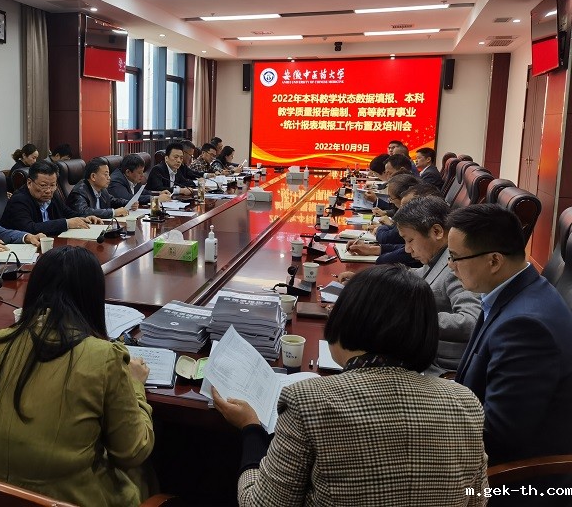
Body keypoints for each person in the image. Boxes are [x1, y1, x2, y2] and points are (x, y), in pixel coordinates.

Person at [212, 264, 487, 506]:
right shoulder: (466, 402)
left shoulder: (307, 400)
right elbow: (478, 498)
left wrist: (250, 429)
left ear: (345, 322)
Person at [0, 246, 154, 507]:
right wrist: (135, 386)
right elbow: (132, 451)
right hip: (71, 500)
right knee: (146, 474)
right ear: (93, 299)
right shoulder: (104, 358)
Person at [448, 204, 572, 466]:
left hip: (513, 475)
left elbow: (498, 436)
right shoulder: (509, 291)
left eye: (455, 257)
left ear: (494, 261)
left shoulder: (526, 327)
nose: (450, 267)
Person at [392, 196, 481, 371]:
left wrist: (412, 318)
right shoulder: (438, 256)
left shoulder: (456, 265)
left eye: (410, 240)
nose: (407, 249)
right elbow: (419, 275)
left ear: (437, 232)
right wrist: (374, 281)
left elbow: (471, 320)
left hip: (440, 366)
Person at [1, 161, 103, 236]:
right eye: (43, 185)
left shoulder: (53, 195)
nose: (48, 190)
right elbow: (30, 228)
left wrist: (85, 218)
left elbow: (68, 213)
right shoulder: (19, 200)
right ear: (29, 183)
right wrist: (66, 223)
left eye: (53, 185)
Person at [66, 158, 134, 219]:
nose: (109, 178)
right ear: (93, 176)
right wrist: (113, 212)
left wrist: (129, 203)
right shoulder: (79, 192)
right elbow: (84, 212)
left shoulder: (101, 189)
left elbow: (112, 201)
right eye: (105, 174)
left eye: (108, 174)